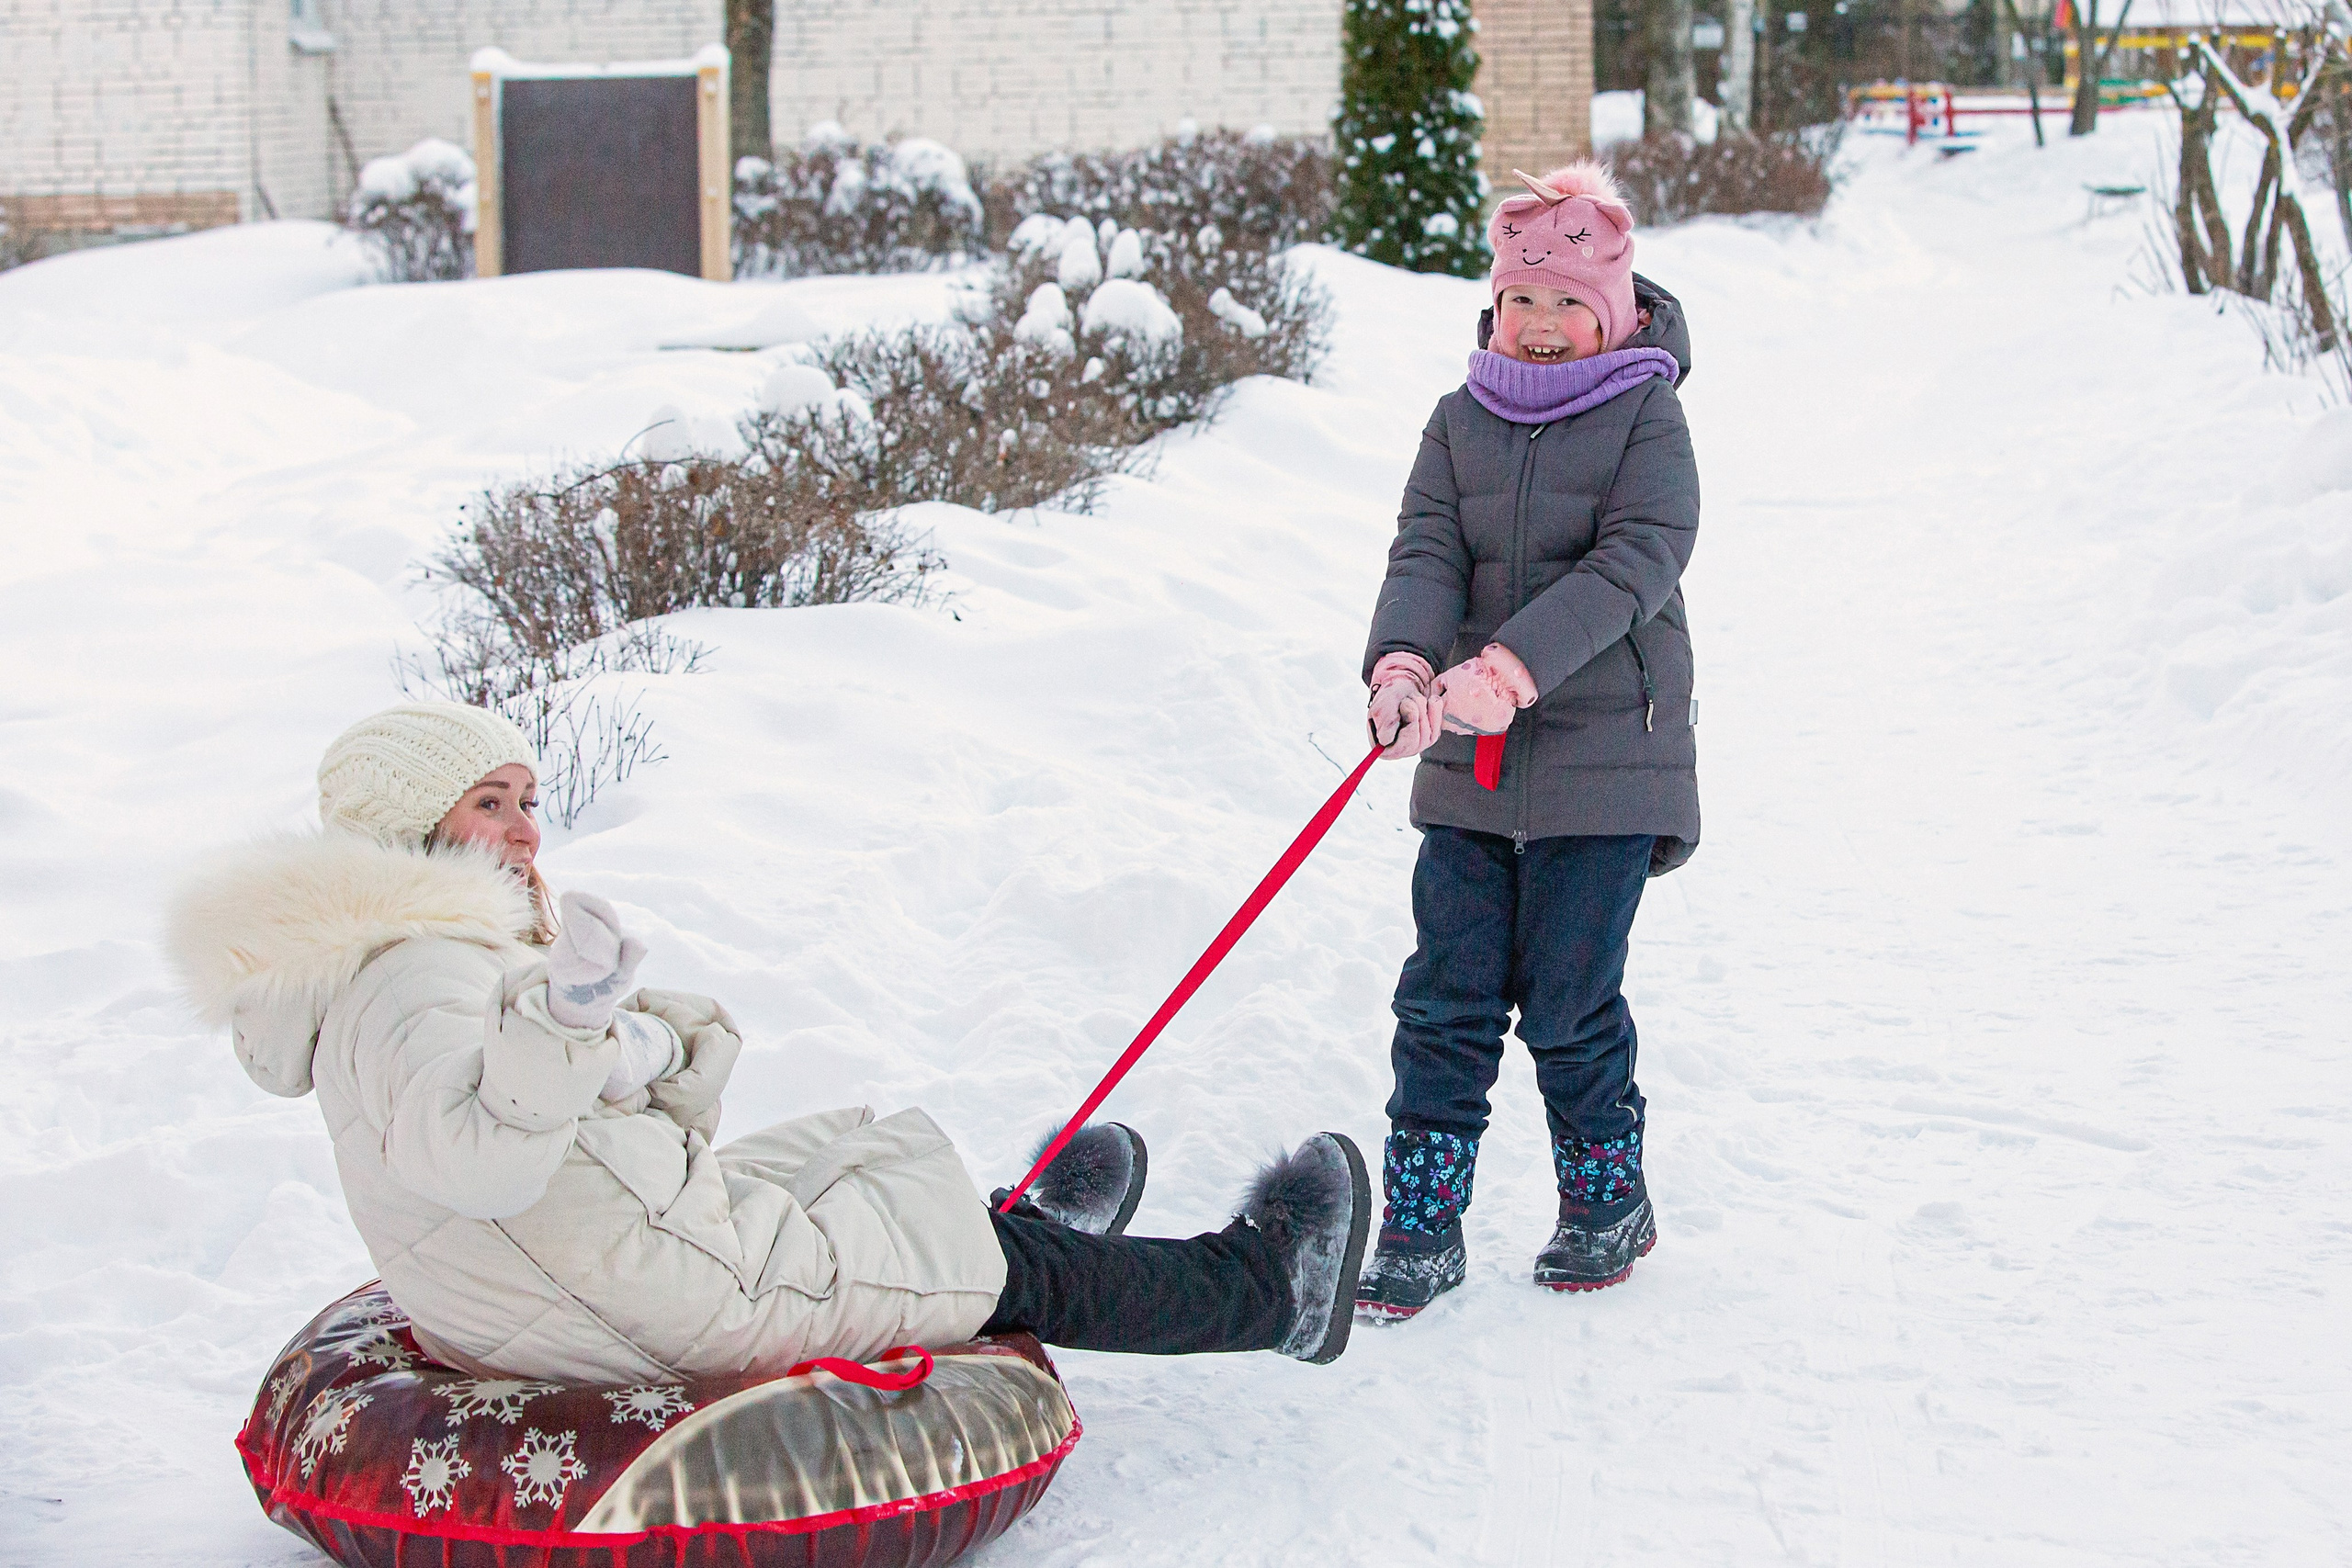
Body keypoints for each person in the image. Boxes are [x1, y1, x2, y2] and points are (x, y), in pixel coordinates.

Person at [166, 701, 1371, 1383]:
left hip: (584, 1264)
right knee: (983, 1254)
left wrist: (628, 1048)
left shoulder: (388, 957)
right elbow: (480, 1154)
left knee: (859, 1143)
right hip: (648, 1300)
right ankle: (1266, 1287)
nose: (528, 831)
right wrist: (566, 1018)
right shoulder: (420, 970)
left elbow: (532, 1126)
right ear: (405, 824)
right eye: (492, 803)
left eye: (528, 799)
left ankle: (1008, 1231)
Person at [1354, 162, 1701, 1319]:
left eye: (1567, 304)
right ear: (1492, 305)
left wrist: (1513, 668)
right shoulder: (1458, 422)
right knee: (1443, 992)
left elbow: (1639, 559)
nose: (1543, 325)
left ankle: (1605, 1194)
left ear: (1611, 313)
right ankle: (1419, 1220)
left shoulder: (1646, 412)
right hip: (1468, 758)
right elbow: (1424, 555)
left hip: (1607, 761)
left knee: (1565, 996)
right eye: (1521, 301)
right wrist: (1405, 665)